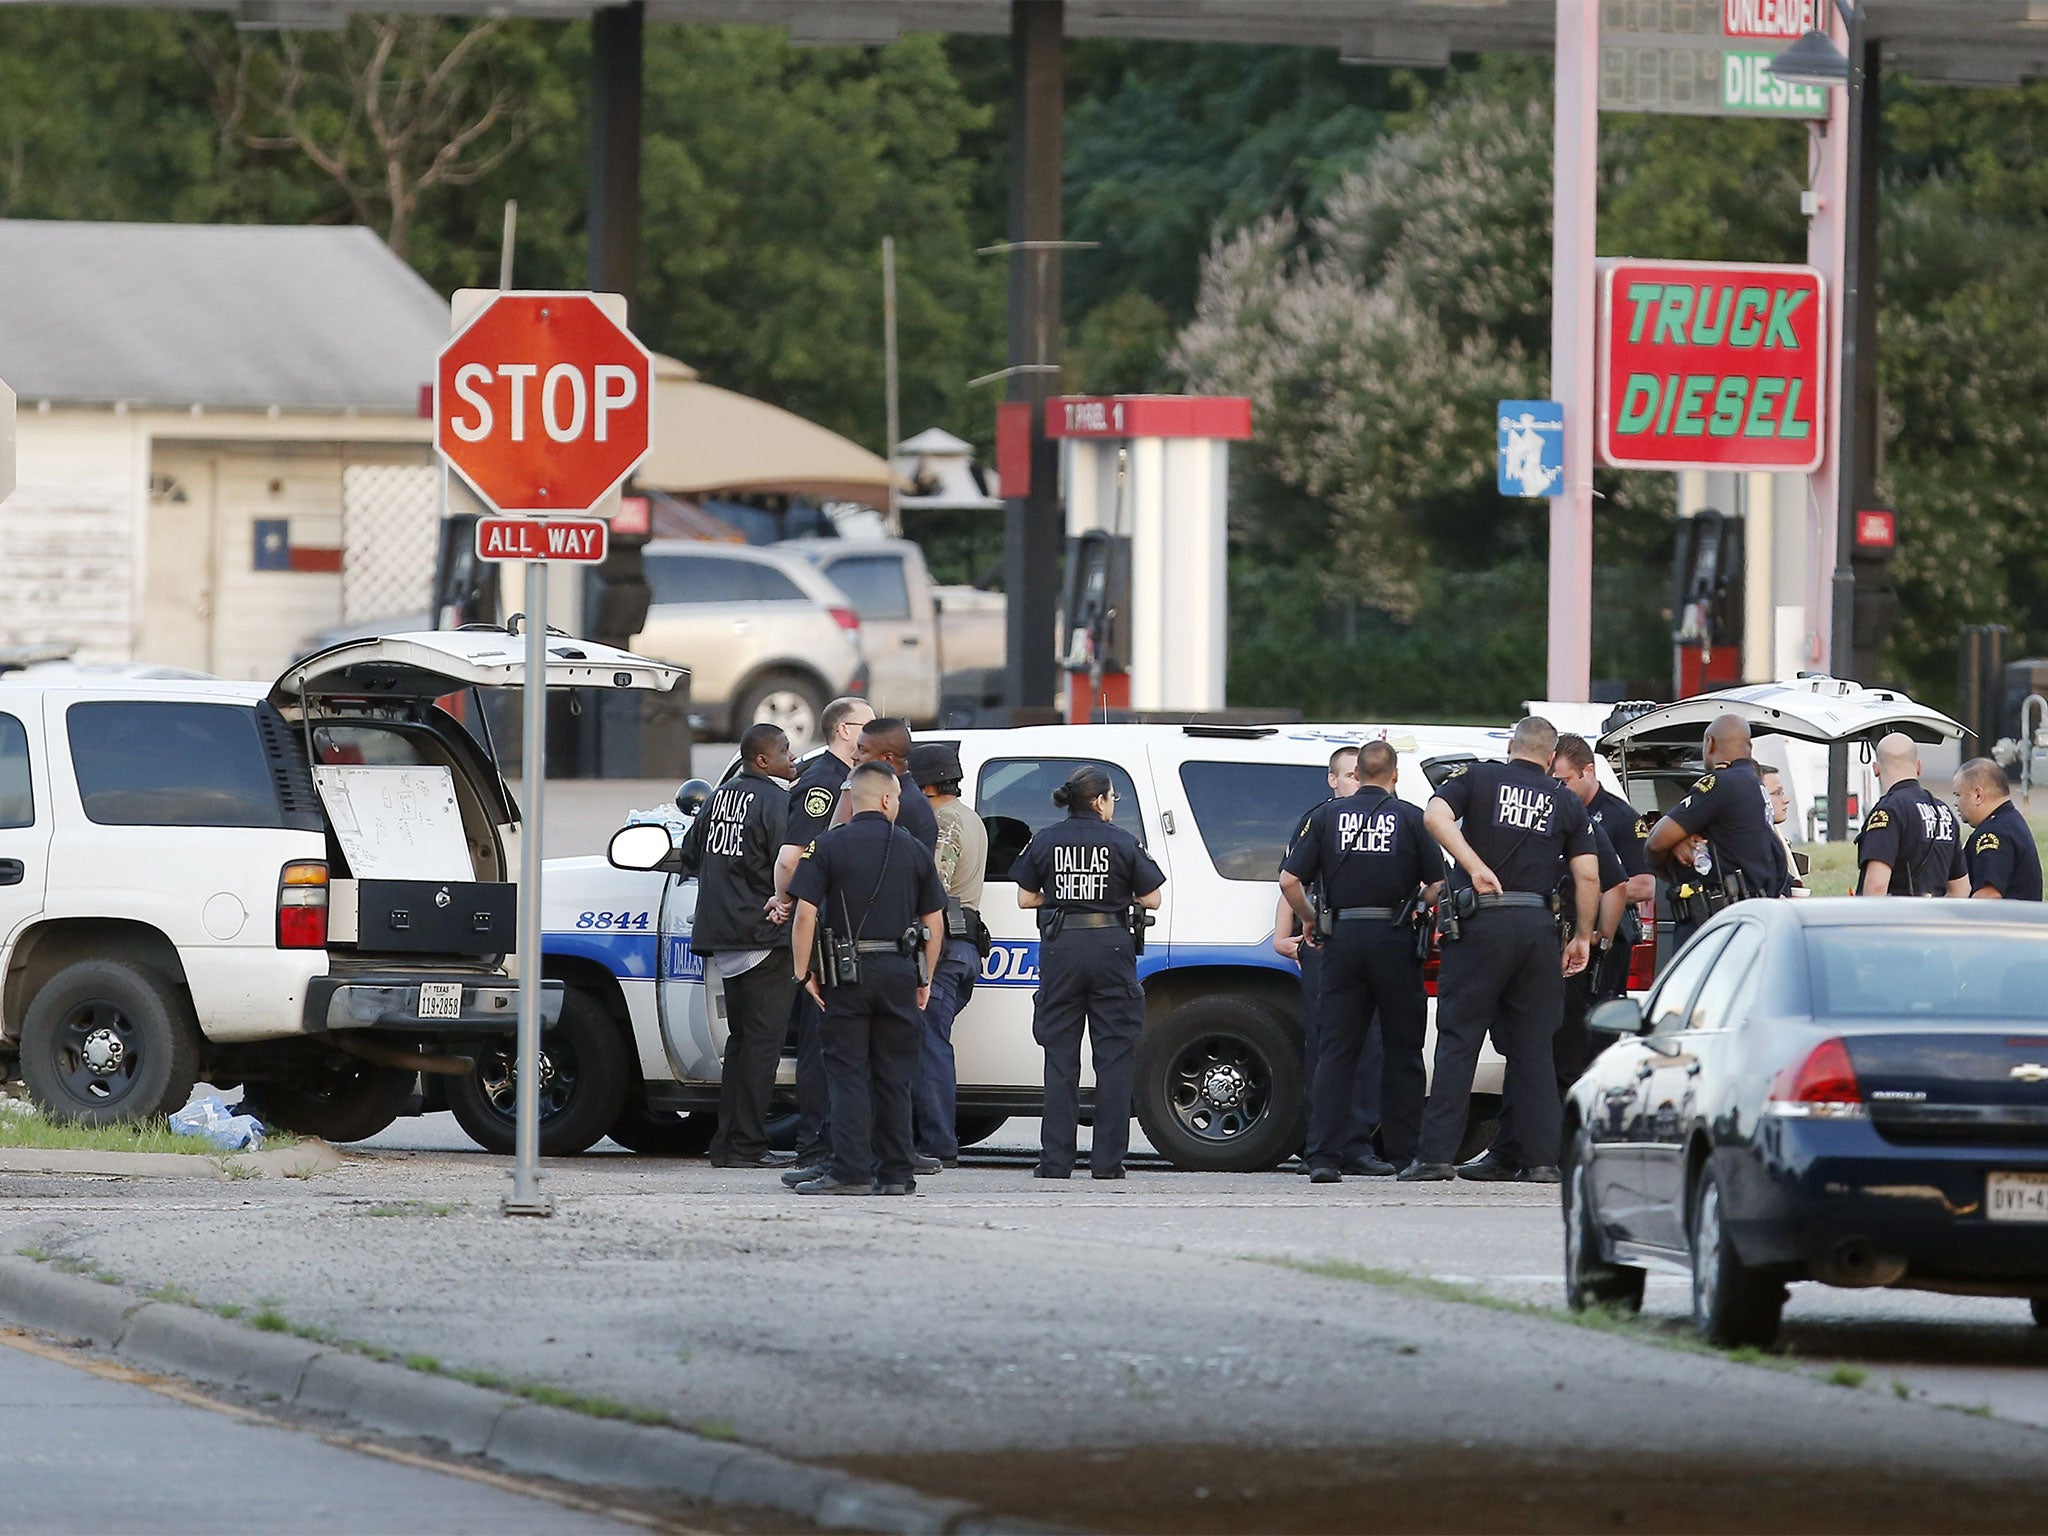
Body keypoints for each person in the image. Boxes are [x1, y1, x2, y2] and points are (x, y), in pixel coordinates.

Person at [1402, 717, 1597, 1184]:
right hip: (1536, 927)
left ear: (1512, 746)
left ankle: (1435, 1158)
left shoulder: (1478, 777)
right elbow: (1589, 876)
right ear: (1551, 759)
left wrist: (1473, 866)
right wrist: (1582, 937)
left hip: (1481, 922)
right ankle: (1541, 1162)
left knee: (1459, 1039)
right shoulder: (1565, 800)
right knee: (1533, 1048)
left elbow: (1434, 816)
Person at [1278, 740, 1437, 1182]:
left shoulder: (1325, 817)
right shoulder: (1409, 817)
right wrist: (1415, 905)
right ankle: (1405, 1155)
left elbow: (1290, 880)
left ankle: (1323, 1156)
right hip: (1393, 937)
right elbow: (1439, 883)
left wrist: (1312, 921)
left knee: (1336, 1049)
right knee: (1402, 1049)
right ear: (1395, 775)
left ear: (1359, 774)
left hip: (1341, 937)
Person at [788, 761, 945, 1196]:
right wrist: (925, 976)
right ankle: (896, 1174)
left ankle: (850, 1171)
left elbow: (804, 914)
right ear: (888, 799)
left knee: (848, 1073)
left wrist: (803, 973)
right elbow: (935, 920)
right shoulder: (913, 848)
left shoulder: (828, 845)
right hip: (899, 971)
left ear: (854, 801)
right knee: (894, 1076)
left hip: (846, 974)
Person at [1012, 765, 1165, 1180]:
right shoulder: (1122, 841)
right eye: (1112, 797)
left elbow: (1026, 899)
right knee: (1113, 1056)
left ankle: (1056, 1162)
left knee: (1060, 1057)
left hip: (1061, 949)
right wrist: (1113, 895)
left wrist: (1061, 895)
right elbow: (1152, 898)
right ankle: (1107, 1164)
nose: (1114, 805)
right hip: (1111, 948)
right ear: (1099, 801)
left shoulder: (1045, 839)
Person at [679, 723, 800, 1168]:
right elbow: (788, 862)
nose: (793, 758)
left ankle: (726, 1145)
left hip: (724, 936)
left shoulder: (718, 795)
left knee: (742, 1044)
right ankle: (747, 1146)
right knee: (762, 1047)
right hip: (764, 934)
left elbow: (691, 853)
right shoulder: (777, 801)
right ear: (763, 760)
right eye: (786, 751)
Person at [773, 696, 875, 1185]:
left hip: (840, 923)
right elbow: (797, 855)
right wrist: (789, 901)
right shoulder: (823, 781)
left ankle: (831, 1139)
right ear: (844, 731)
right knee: (819, 1042)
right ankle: (814, 1141)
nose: (872, 736)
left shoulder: (852, 779)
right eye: (867, 727)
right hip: (822, 920)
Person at [1276, 747, 1382, 1174]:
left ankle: (1358, 1145)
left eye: (1361, 775)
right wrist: (1293, 932)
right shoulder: (1316, 820)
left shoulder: (1383, 819)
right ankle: (1320, 1145)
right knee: (1324, 1047)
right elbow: (1288, 879)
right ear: (1332, 780)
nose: (1356, 782)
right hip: (1325, 942)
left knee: (1370, 1046)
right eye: (1349, 775)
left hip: (1369, 941)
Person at [1548, 734, 1653, 1082]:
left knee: (1597, 1032)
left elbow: (1644, 883)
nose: (1557, 788)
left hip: (1604, 941)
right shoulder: (1559, 811)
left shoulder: (1619, 816)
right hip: (1566, 934)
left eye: (1564, 780)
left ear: (1588, 771)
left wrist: (1594, 895)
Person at [1644, 714, 1791, 947]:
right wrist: (1680, 841)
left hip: (1714, 925)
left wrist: (1671, 850)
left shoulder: (1721, 782)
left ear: (1710, 743)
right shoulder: (1755, 785)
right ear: (1749, 747)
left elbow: (1655, 842)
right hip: (1744, 922)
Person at [908, 742, 988, 1167]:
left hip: (944, 946)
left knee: (928, 1044)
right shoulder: (967, 817)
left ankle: (937, 1142)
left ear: (923, 787)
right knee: (929, 1042)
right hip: (961, 945)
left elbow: (932, 891)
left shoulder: (946, 823)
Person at [1857, 732, 1969, 897]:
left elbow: (1876, 887)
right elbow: (1962, 889)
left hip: (1895, 920)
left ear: (1876, 769)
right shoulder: (1943, 812)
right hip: (1933, 920)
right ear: (1918, 767)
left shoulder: (1888, 811)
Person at [1954, 757, 2043, 901]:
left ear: (1978, 795)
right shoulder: (2010, 822)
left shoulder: (1993, 834)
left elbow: (1988, 896)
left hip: (2005, 922)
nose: (1955, 803)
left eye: (1958, 795)